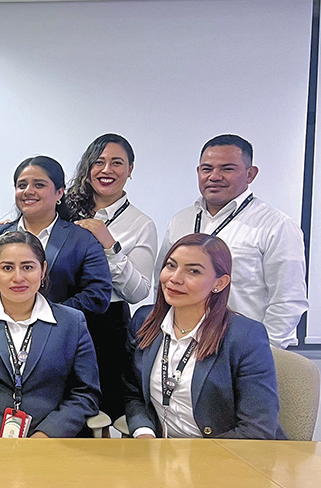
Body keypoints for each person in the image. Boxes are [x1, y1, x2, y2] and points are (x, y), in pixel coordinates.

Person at [0, 231, 100, 437]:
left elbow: (86, 394)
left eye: (28, 267)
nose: (18, 278)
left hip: (50, 442)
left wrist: (47, 434)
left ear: (43, 270)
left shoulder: (72, 323)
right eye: (7, 268)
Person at [124, 233, 285, 439]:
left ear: (220, 283)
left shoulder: (245, 337)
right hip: (162, 451)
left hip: (228, 453)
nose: (175, 278)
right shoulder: (144, 321)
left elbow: (257, 429)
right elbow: (133, 393)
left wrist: (193, 455)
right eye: (171, 266)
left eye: (193, 271)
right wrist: (144, 433)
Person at [159, 134, 308, 348]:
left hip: (238, 347)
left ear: (250, 174)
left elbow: (288, 301)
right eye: (207, 169)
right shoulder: (180, 220)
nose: (214, 176)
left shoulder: (276, 226)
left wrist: (264, 352)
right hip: (179, 343)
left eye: (227, 169)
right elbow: (163, 283)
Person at [64, 134, 158, 421]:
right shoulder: (64, 208)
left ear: (130, 169)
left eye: (117, 163)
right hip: (60, 315)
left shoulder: (141, 224)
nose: (107, 170)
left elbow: (138, 292)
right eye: (99, 162)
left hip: (106, 326)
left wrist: (110, 246)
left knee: (102, 410)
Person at [0, 155, 112, 316]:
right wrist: (9, 311)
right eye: (22, 185)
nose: (28, 191)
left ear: (59, 193)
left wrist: (44, 314)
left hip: (60, 328)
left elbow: (97, 295)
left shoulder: (83, 239)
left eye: (39, 185)